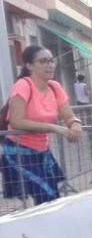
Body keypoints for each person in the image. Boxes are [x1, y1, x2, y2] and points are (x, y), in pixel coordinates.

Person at [2, 46, 81, 204]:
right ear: (29, 65)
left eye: (52, 61)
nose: (50, 65)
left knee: (51, 198)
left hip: (42, 151)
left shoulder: (54, 87)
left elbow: (68, 115)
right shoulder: (23, 85)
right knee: (47, 197)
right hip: (19, 151)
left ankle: (43, 228)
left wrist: (75, 124)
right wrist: (54, 128)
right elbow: (16, 121)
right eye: (43, 61)